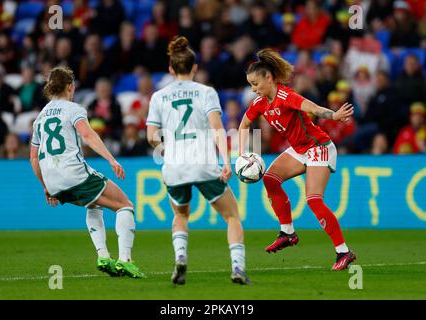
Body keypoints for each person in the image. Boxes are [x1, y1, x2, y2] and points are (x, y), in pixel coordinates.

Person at [238, 48, 356, 271]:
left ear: (269, 78)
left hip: (318, 146)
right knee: (270, 179)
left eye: (255, 83)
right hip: (300, 149)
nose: (253, 89)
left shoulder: (285, 96)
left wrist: (334, 115)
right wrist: (247, 153)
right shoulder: (260, 103)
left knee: (313, 200)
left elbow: (312, 108)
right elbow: (244, 125)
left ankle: (343, 251)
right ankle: (288, 233)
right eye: (251, 85)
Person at [146, 36, 249, 285]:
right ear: (195, 67)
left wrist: (167, 149)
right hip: (203, 164)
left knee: (181, 215)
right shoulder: (207, 93)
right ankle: (238, 268)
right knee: (232, 216)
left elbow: (151, 136)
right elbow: (216, 128)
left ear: (171, 69)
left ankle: (180, 257)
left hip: (174, 166)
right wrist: (227, 161)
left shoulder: (158, 97)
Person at [29, 66, 145, 279]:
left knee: (94, 204)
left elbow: (33, 158)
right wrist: (111, 159)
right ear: (70, 87)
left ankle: (103, 256)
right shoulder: (73, 109)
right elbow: (88, 136)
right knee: (125, 205)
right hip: (73, 173)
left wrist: (46, 186)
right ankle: (125, 261)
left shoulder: (40, 118)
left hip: (53, 181)